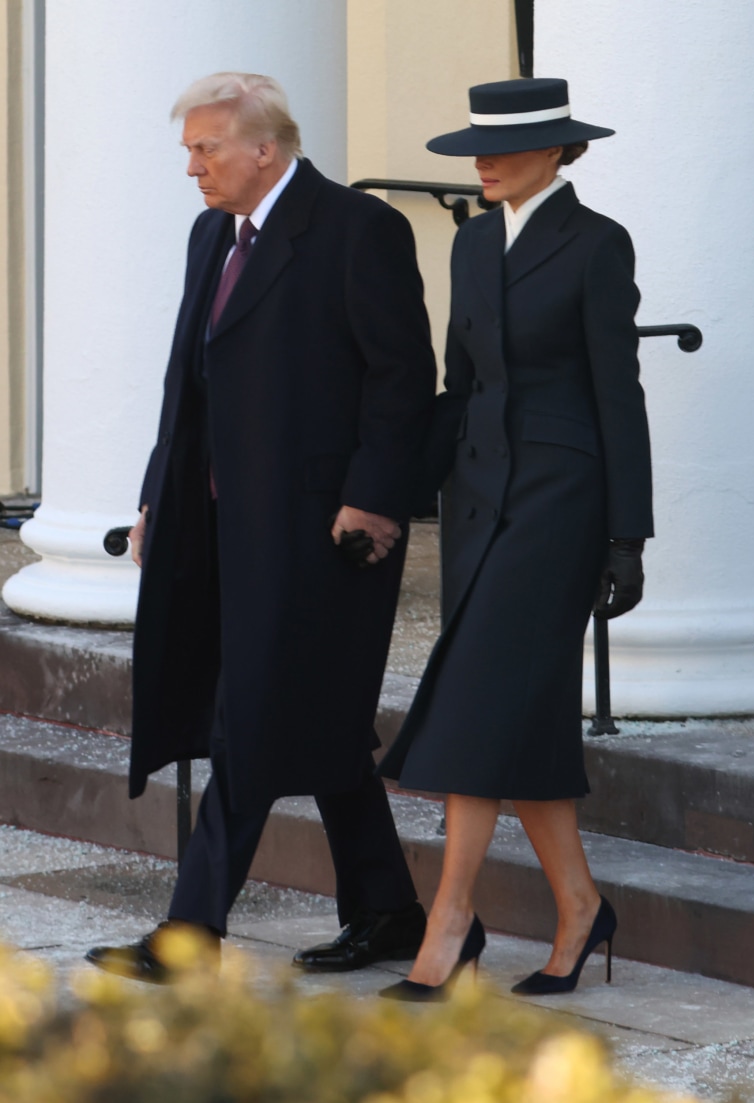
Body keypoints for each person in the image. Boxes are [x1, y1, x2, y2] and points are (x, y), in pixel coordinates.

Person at [86, 72, 436, 983]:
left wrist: (375, 497)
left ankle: (189, 932)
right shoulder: (212, 233)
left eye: (205, 148)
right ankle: (390, 909)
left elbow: (402, 377)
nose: (192, 167)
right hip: (218, 523)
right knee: (312, 711)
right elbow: (187, 384)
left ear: (265, 150)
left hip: (323, 530)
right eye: (190, 150)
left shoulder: (361, 229)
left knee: (251, 715)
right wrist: (159, 491)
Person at [378, 78, 653, 1001]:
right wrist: (390, 490)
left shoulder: (598, 245)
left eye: (496, 150)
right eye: (472, 152)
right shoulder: (469, 241)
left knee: (474, 700)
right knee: (520, 717)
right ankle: (579, 906)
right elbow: (459, 383)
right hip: (475, 499)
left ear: (556, 151)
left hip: (559, 502)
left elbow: (621, 393)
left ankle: (450, 920)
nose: (479, 164)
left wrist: (628, 535)